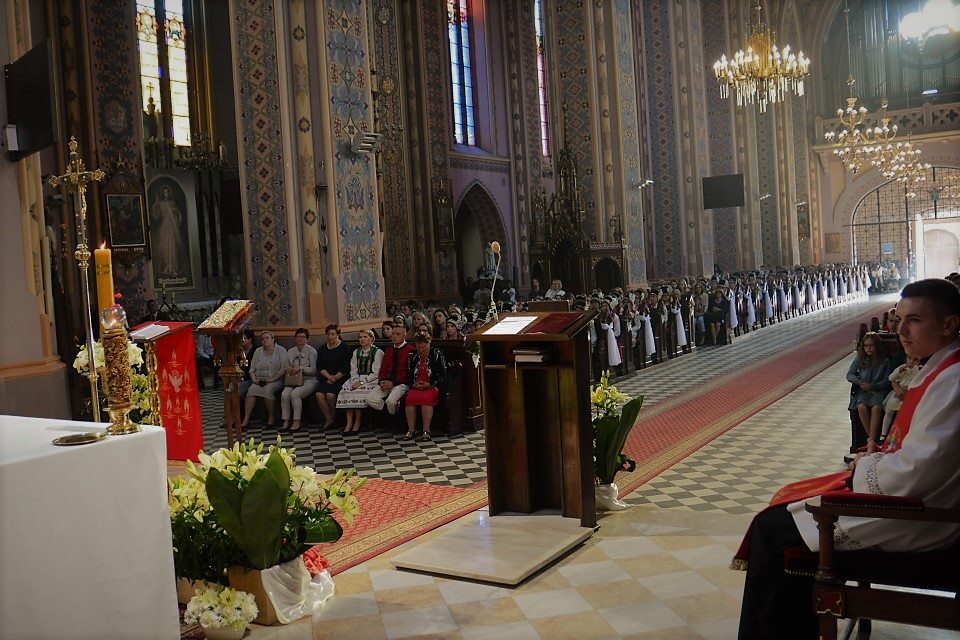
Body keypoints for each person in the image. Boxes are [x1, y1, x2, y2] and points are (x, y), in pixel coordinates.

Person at [736, 278, 960, 640]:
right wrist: (880, 456)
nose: (900, 331)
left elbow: (917, 471)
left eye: (914, 320)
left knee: (772, 531)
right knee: (783, 512)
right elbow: (919, 454)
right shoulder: (941, 368)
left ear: (949, 325)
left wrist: (868, 466)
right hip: (916, 500)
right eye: (900, 319)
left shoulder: (952, 381)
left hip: (922, 518)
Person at [846, 331, 891, 452]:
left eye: (871, 345)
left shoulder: (885, 361)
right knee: (861, 406)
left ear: (877, 346)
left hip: (878, 390)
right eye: (865, 346)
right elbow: (849, 375)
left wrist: (873, 386)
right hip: (864, 390)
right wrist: (861, 383)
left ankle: (871, 440)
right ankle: (871, 440)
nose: (868, 348)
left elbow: (887, 380)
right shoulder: (860, 358)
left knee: (876, 408)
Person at [402, 333, 448, 441]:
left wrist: (430, 383)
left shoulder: (436, 354)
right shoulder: (413, 355)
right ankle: (411, 430)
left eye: (423, 347)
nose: (421, 349)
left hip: (433, 385)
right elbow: (409, 373)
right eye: (418, 347)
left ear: (429, 344)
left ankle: (426, 430)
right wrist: (413, 384)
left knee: (426, 399)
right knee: (410, 399)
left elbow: (443, 373)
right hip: (417, 385)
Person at [336, 328, 383, 433]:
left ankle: (357, 422)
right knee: (347, 391)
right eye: (360, 337)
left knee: (358, 392)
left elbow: (376, 373)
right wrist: (355, 380)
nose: (362, 339)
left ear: (371, 338)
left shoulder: (377, 352)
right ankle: (349, 422)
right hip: (357, 378)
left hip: (371, 380)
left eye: (365, 337)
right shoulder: (356, 352)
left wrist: (361, 382)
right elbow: (353, 370)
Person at [240, 331, 287, 428]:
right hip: (259, 380)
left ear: (273, 339)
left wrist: (271, 380)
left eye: (267, 338)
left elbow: (283, 370)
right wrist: (254, 380)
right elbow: (252, 369)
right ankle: (246, 420)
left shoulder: (281, 350)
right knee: (251, 391)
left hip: (275, 380)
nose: (264, 340)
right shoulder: (258, 351)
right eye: (262, 339)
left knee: (268, 390)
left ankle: (271, 418)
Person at [367, 323, 415, 416]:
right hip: (386, 381)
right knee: (370, 398)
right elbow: (383, 368)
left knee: (391, 401)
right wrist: (382, 381)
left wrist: (393, 383)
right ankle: (389, 414)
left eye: (398, 334)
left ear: (405, 335)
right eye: (393, 334)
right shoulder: (389, 350)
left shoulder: (411, 350)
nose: (394, 336)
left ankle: (393, 418)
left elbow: (409, 373)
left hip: (401, 383)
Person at [314, 324, 352, 430]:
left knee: (330, 395)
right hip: (326, 378)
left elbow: (345, 367)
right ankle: (329, 419)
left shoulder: (344, 347)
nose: (330, 337)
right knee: (319, 395)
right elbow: (319, 366)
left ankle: (336, 418)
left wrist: (335, 378)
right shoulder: (322, 348)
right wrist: (329, 377)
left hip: (340, 378)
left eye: (333, 334)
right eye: (328, 334)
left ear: (338, 335)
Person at [280, 328, 318, 431]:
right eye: (298, 336)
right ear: (295, 338)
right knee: (284, 394)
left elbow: (313, 370)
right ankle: (286, 421)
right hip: (294, 379)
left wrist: (300, 368)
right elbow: (286, 366)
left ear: (307, 339)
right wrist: (290, 369)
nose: (300, 339)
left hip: (309, 379)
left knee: (295, 394)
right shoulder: (291, 351)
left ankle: (297, 421)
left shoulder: (311, 351)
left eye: (303, 337)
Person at [880, 353, 921, 442]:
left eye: (915, 359)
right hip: (897, 392)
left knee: (901, 412)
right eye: (909, 358)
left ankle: (897, 434)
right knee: (889, 410)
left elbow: (918, 381)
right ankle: (883, 433)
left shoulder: (918, 370)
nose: (911, 361)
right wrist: (899, 371)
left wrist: (917, 368)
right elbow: (891, 378)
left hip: (910, 393)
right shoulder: (902, 368)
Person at [150, 185, 186, 279]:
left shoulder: (172, 202)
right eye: (164, 192)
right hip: (164, 226)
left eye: (167, 192)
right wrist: (156, 202)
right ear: (162, 193)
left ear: (169, 193)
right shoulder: (160, 202)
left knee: (172, 247)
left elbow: (178, 213)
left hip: (173, 226)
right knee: (165, 247)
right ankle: (166, 267)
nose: (166, 194)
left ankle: (173, 268)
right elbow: (156, 215)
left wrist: (175, 212)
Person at [238, 329, 255, 397]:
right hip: (241, 377)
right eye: (241, 338)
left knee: (237, 389)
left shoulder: (256, 350)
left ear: (250, 339)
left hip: (251, 377)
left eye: (244, 338)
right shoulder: (240, 351)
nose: (242, 340)